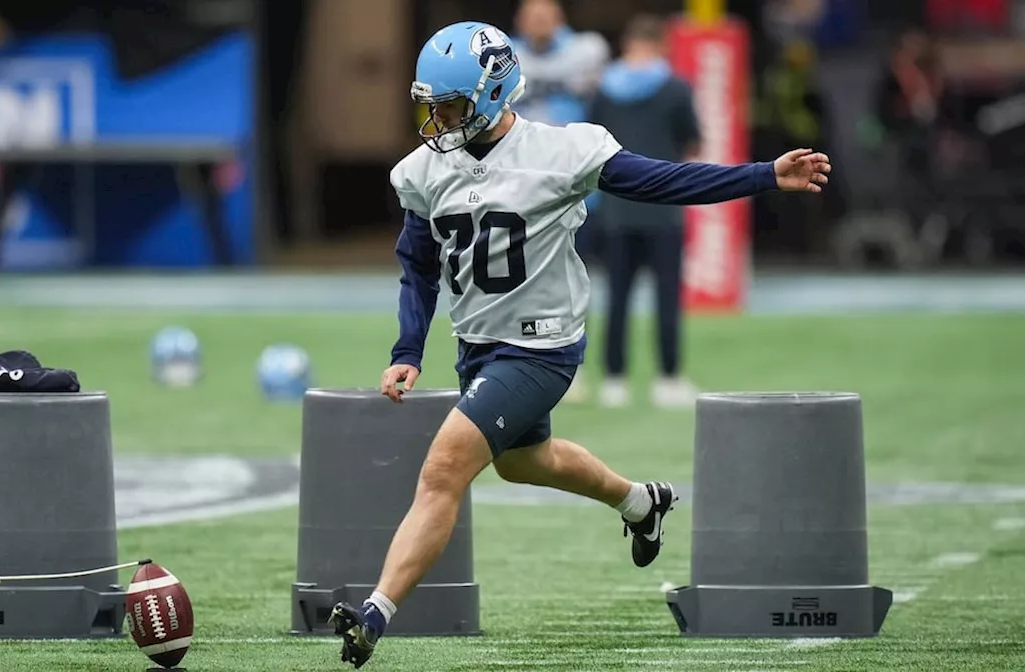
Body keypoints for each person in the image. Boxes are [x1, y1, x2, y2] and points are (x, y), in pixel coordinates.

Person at [329, 21, 832, 669]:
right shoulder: (425, 173)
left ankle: (375, 614)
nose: (437, 120)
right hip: (479, 345)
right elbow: (419, 267)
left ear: (490, 93)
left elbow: (664, 181)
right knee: (522, 461)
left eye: (449, 106)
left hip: (540, 346)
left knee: (444, 468)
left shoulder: (562, 151)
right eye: (432, 106)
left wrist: (763, 175)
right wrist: (407, 349)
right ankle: (640, 501)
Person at [581, 14, 702, 409]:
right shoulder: (677, 89)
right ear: (661, 46)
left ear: (627, 45)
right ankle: (668, 378)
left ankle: (615, 380)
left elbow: (588, 143)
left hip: (616, 211)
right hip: (664, 211)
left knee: (616, 298)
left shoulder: (604, 91)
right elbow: (693, 143)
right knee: (667, 299)